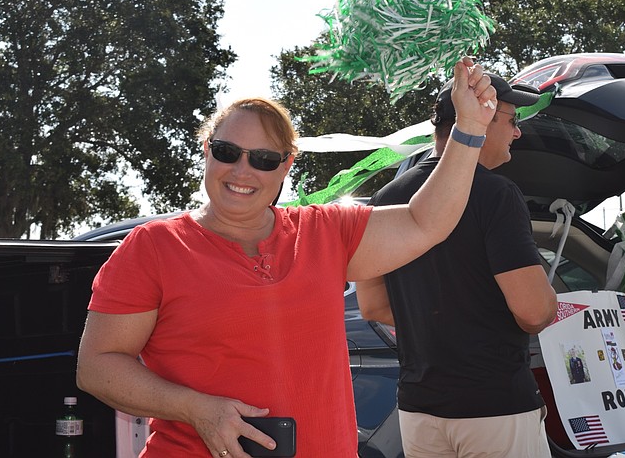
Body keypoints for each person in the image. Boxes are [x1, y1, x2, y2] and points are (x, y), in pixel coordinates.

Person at [75, 57, 497, 458]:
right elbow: (97, 366)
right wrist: (195, 408)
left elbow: (426, 222)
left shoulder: (323, 232)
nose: (242, 171)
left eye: (263, 159)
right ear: (206, 150)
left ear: (285, 166)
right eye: (227, 152)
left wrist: (469, 129)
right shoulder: (154, 247)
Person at [356, 73, 558, 458]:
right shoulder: (496, 193)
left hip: (418, 409)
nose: (517, 134)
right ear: (483, 114)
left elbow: (373, 306)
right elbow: (533, 313)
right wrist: (553, 304)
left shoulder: (386, 195)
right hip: (494, 408)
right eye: (513, 120)